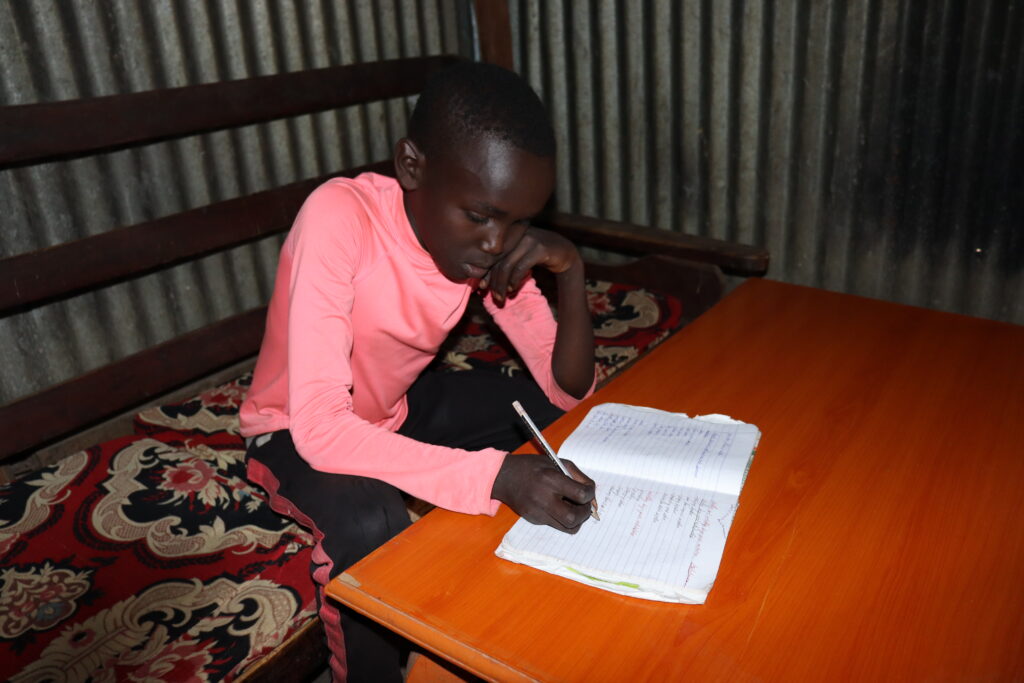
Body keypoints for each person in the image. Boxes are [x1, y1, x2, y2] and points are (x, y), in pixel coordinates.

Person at [239, 61, 597, 682]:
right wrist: (496, 477)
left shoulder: (476, 242)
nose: (497, 243)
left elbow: (569, 391)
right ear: (412, 167)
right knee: (370, 518)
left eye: (519, 221)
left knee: (533, 411)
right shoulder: (340, 218)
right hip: (294, 428)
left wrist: (571, 273)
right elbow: (322, 430)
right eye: (482, 215)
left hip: (396, 409)